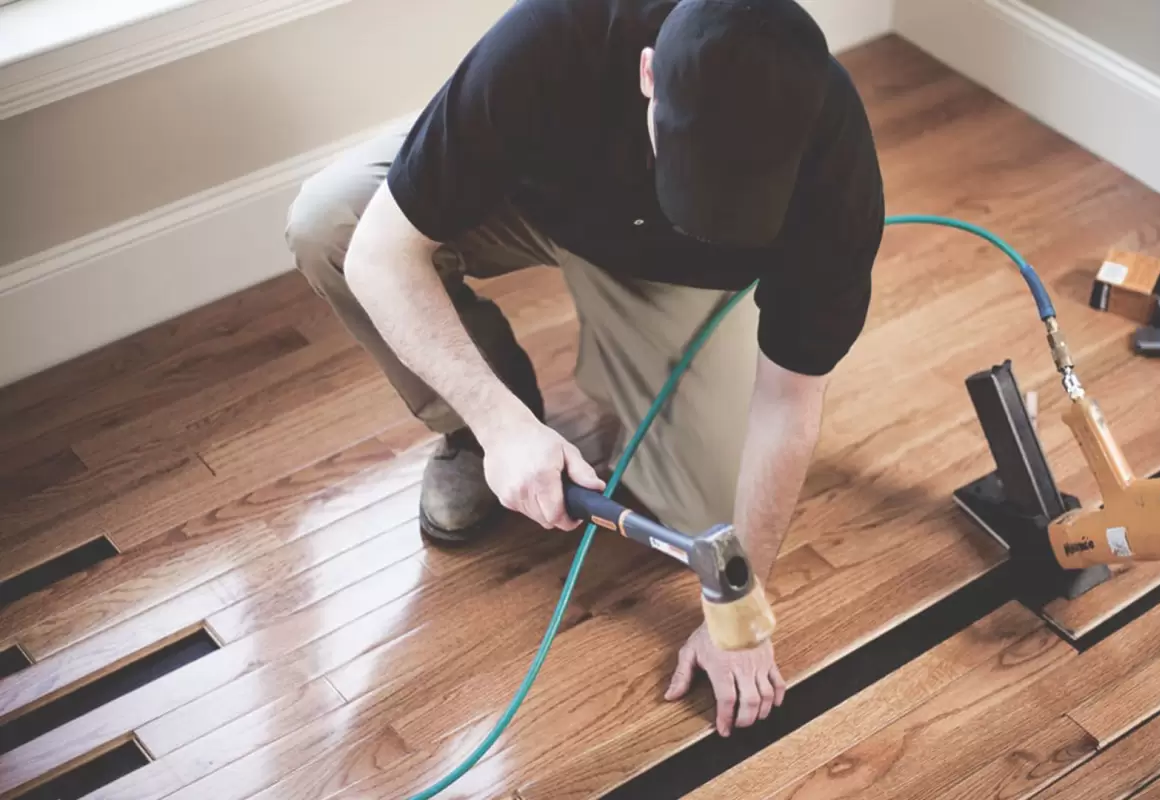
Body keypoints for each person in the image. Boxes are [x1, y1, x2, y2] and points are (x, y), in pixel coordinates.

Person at [284, 0, 884, 738]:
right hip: (531, 200)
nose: (710, 197)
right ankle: (472, 432)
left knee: (703, 518)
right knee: (329, 223)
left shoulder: (837, 166)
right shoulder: (558, 34)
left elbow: (790, 399)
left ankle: (618, 370)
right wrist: (501, 426)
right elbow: (379, 252)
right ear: (648, 77)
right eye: (695, 173)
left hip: (674, 277)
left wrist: (740, 614)